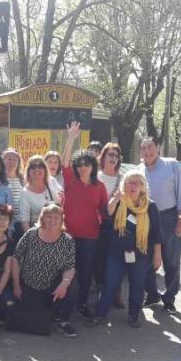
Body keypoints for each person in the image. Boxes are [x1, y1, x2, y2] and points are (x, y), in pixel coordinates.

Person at [86, 171, 163, 328]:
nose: (133, 186)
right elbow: (107, 213)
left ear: (143, 187)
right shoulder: (119, 202)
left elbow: (156, 233)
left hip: (141, 254)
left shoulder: (151, 206)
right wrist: (115, 198)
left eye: (137, 183)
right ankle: (100, 314)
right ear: (124, 185)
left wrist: (157, 254)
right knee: (110, 284)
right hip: (117, 253)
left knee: (137, 284)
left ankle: (133, 315)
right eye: (129, 182)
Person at [61, 122, 108, 319]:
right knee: (67, 272)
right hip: (69, 235)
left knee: (86, 272)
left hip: (90, 237)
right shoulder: (71, 180)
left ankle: (82, 304)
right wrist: (71, 138)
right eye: (79, 165)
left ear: (93, 166)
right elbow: (64, 162)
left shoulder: (100, 186)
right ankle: (65, 304)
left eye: (86, 164)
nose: (82, 168)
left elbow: (105, 213)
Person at [138, 136, 181, 313]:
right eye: (143, 148)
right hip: (145, 219)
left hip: (169, 217)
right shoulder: (139, 171)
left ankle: (169, 299)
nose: (147, 151)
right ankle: (152, 294)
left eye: (150, 147)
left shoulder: (172, 165)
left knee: (171, 261)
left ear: (158, 147)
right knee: (146, 259)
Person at [12, 204, 77, 337]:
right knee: (39, 326)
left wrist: (64, 284)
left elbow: (70, 267)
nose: (52, 220)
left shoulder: (68, 240)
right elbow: (16, 258)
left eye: (56, 217)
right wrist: (16, 286)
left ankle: (63, 321)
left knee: (72, 286)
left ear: (61, 219)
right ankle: (48, 313)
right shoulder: (31, 234)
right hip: (30, 285)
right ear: (42, 218)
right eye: (48, 216)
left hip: (53, 285)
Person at [95, 143, 125, 308]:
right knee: (100, 259)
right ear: (103, 157)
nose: (113, 158)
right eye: (110, 154)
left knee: (117, 258)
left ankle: (117, 294)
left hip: (117, 223)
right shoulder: (96, 177)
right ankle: (101, 292)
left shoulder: (122, 178)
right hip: (98, 223)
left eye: (116, 155)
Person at [19, 156, 61, 233]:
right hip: (37, 233)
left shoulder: (52, 181)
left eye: (40, 166)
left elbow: (61, 203)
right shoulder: (25, 193)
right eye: (33, 167)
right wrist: (31, 238)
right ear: (28, 171)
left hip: (56, 230)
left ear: (45, 169)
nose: (37, 169)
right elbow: (24, 220)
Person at [2, 148, 25, 239]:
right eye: (9, 159)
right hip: (5, 222)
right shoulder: (0, 178)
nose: (12, 162)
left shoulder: (22, 178)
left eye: (15, 160)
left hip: (21, 222)